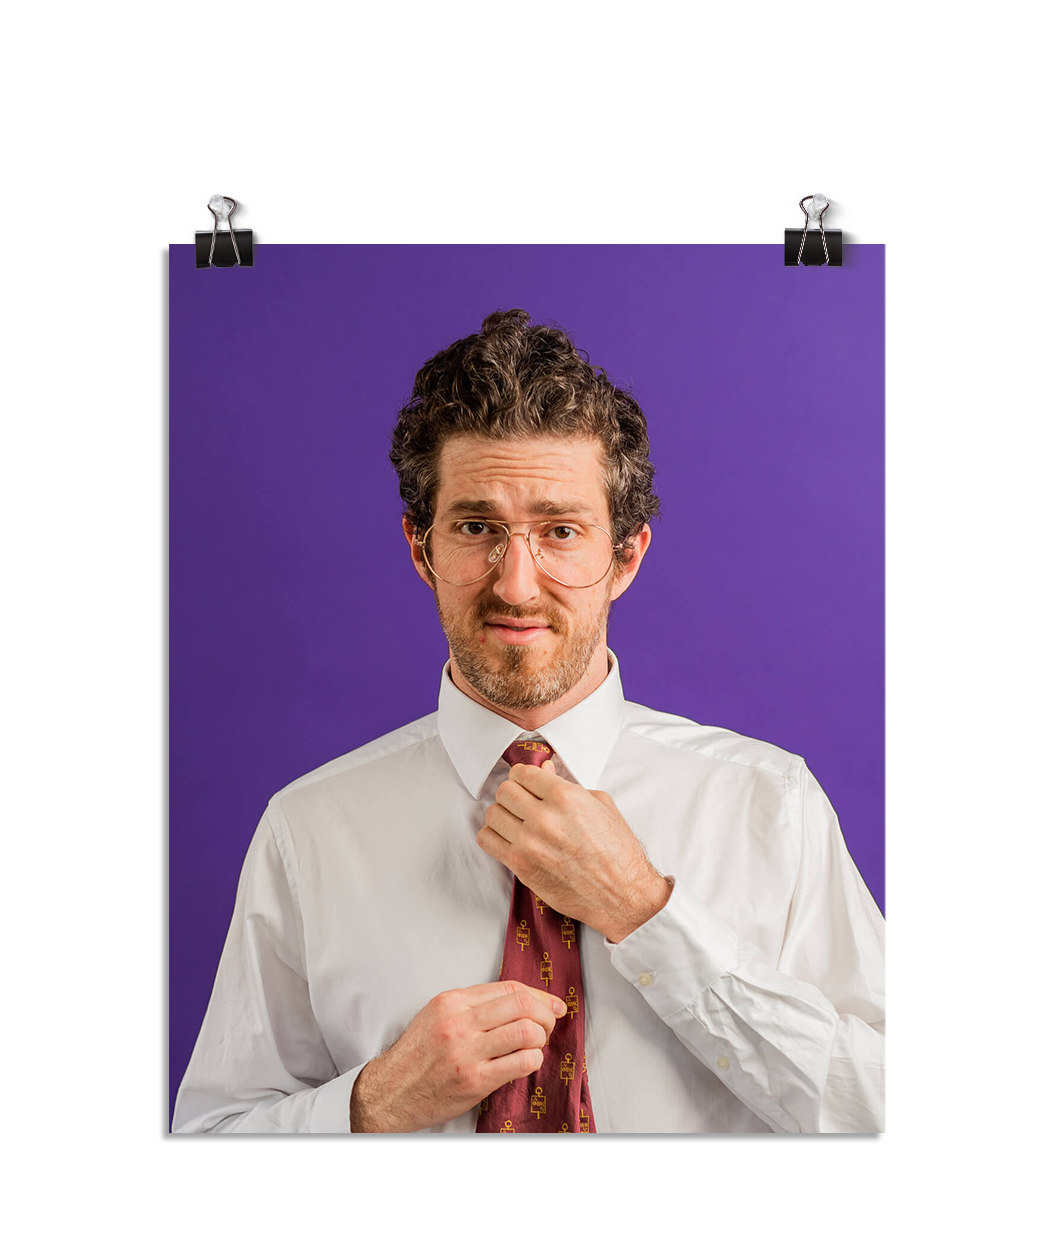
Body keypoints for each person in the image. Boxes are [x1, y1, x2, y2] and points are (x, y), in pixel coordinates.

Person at [173, 309, 885, 1134]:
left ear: (627, 556)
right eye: (478, 529)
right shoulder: (308, 830)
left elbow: (895, 1117)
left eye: (560, 531)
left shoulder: (769, 805)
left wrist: (649, 916)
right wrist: (367, 1106)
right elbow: (208, 1153)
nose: (516, 584)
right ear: (421, 549)